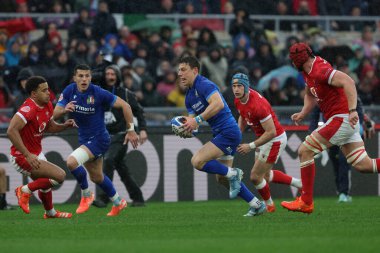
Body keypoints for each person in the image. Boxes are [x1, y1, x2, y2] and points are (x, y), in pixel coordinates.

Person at [281, 43, 380, 214]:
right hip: (342, 121)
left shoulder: (319, 69)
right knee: (364, 165)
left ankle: (306, 201)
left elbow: (348, 81)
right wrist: (303, 113)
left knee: (305, 150)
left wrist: (352, 110)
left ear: (298, 59)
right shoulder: (308, 72)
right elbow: (310, 93)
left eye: (292, 59)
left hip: (341, 118)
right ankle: (305, 201)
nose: (291, 63)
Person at [177, 56, 266, 216]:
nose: (179, 73)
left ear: (195, 70)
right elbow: (193, 123)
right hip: (221, 133)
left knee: (197, 161)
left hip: (229, 131)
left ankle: (234, 173)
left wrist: (196, 120)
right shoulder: (189, 97)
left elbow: (217, 104)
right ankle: (256, 204)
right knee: (222, 178)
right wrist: (187, 130)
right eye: (179, 70)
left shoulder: (204, 84)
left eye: (183, 70)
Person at [53, 64, 139, 216]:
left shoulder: (98, 92)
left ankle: (86, 196)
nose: (84, 79)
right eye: (80, 76)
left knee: (71, 162)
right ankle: (119, 202)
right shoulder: (69, 91)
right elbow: (55, 113)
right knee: (97, 177)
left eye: (87, 76)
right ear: (75, 78)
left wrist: (130, 130)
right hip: (84, 139)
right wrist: (65, 109)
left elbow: (126, 106)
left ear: (91, 78)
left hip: (100, 138)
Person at [7, 76, 76, 218]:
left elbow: (49, 126)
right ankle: (24, 190)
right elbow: (11, 131)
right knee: (60, 176)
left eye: (48, 89)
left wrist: (64, 126)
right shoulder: (28, 109)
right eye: (44, 90)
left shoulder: (47, 105)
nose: (48, 93)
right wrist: (27, 154)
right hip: (21, 156)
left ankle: (50, 213)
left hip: (36, 153)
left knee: (46, 184)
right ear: (34, 94)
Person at [232, 73, 302, 212]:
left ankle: (269, 206)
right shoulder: (238, 100)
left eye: (239, 86)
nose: (236, 89)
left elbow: (271, 132)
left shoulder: (258, 105)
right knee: (265, 176)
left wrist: (251, 146)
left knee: (255, 176)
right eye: (234, 86)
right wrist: (238, 133)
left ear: (246, 87)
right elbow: (243, 115)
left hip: (274, 139)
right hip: (263, 138)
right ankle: (299, 184)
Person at [93, 65, 147, 208]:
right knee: (121, 168)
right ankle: (138, 198)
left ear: (118, 77)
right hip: (104, 137)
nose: (110, 77)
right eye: (108, 74)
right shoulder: (99, 94)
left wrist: (142, 130)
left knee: (109, 160)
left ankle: (104, 197)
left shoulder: (126, 94)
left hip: (122, 135)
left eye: (113, 74)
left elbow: (139, 111)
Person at [310, 98, 375, 203]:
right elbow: (314, 116)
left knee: (344, 161)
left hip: (347, 132)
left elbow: (358, 109)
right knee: (336, 161)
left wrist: (358, 126)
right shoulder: (322, 96)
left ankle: (344, 193)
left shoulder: (346, 92)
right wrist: (313, 134)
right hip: (331, 133)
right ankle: (340, 191)